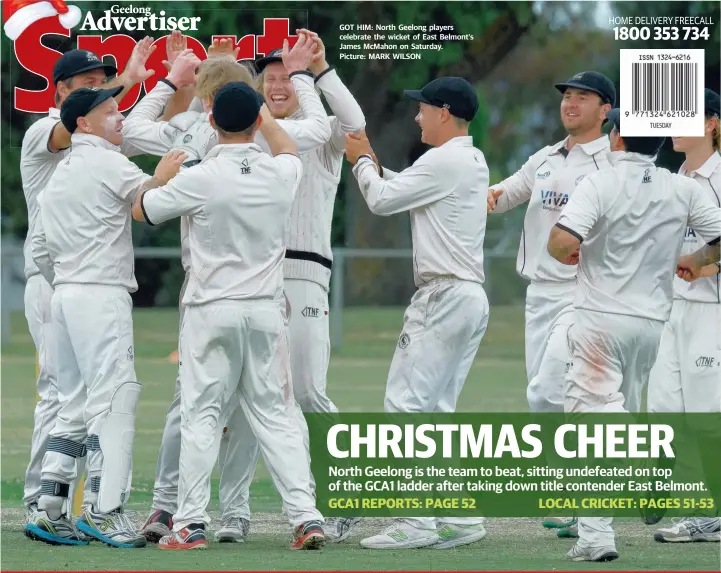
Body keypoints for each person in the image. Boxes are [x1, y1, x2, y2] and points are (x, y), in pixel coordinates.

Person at [134, 32, 333, 544]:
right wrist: (260, 115)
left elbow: (143, 210)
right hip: (267, 310)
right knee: (277, 416)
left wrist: (159, 177)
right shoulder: (278, 173)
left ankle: (189, 522)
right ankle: (305, 516)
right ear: (257, 118)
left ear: (212, 119)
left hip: (210, 308)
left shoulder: (199, 175)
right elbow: (290, 145)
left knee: (201, 414)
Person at [18, 39, 183, 526]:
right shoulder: (45, 132)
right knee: (93, 396)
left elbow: (131, 128)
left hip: (62, 278)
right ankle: (96, 506)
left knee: (72, 397)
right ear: (63, 92)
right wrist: (141, 84)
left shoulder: (92, 145)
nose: (105, 95)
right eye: (90, 87)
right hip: (67, 282)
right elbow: (143, 188)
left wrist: (167, 84)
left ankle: (51, 502)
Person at [546, 108, 721, 562]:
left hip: (600, 322)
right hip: (652, 328)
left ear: (616, 136)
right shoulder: (681, 186)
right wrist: (697, 259)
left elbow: (561, 243)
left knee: (593, 431)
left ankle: (640, 469)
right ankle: (596, 535)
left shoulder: (600, 181)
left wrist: (574, 254)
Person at [215, 30, 366, 545]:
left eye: (286, 76)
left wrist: (315, 74)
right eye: (271, 77)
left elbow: (355, 123)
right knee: (241, 397)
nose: (278, 84)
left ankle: (343, 499)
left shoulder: (322, 136)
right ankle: (233, 511)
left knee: (306, 392)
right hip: (253, 280)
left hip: (304, 275)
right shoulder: (253, 135)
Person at [343, 77, 490, 550]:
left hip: (443, 297)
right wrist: (372, 163)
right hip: (467, 296)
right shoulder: (468, 157)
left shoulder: (443, 159)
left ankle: (415, 521)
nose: (416, 116)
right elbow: (401, 189)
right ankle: (457, 517)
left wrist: (362, 162)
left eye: (423, 109)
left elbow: (382, 199)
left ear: (444, 112)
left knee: (404, 407)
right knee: (436, 411)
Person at [487, 71, 614, 538]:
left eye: (584, 96)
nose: (571, 103)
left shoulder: (609, 163)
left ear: (605, 110)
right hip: (538, 295)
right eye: (567, 96)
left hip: (583, 294)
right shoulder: (544, 158)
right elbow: (500, 198)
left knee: (548, 393)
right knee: (549, 399)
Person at [647, 88, 721, 544]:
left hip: (711, 313)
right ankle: (658, 491)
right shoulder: (674, 176)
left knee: (706, 417)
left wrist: (701, 262)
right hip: (669, 310)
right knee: (663, 408)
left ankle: (713, 515)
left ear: (712, 123)